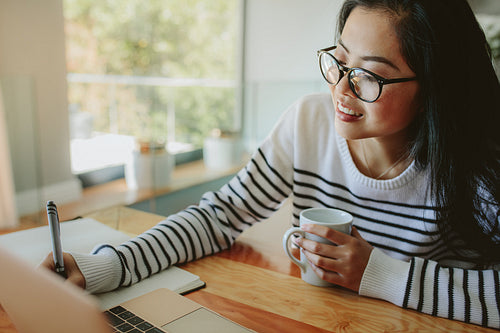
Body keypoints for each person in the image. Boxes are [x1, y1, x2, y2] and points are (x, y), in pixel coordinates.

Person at [42, 0, 500, 328]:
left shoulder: (475, 159)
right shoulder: (308, 122)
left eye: (369, 75)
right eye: (339, 62)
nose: (341, 89)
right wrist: (107, 267)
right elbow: (219, 216)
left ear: (435, 87)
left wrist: (375, 273)